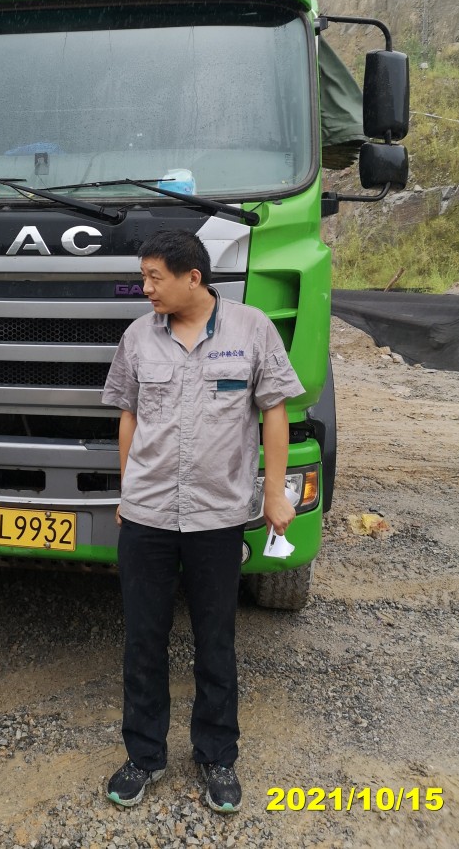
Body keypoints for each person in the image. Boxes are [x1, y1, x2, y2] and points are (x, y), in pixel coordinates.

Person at [101, 229, 304, 814]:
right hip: (148, 515)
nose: (145, 289)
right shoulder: (138, 336)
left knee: (216, 639)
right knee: (143, 639)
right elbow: (128, 415)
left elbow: (274, 412)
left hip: (217, 515)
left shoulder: (252, 329)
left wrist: (274, 492)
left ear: (193, 277)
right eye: (143, 277)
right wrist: (128, 489)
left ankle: (217, 755)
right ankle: (144, 756)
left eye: (154, 278)